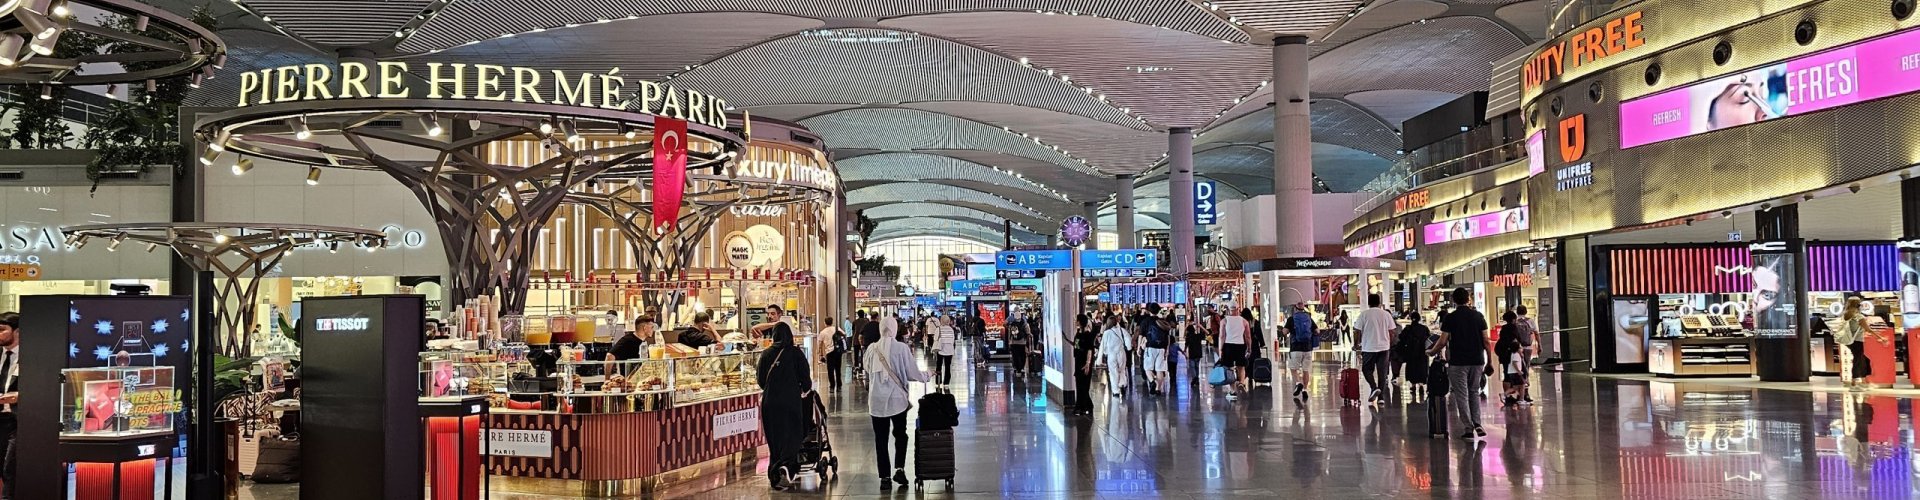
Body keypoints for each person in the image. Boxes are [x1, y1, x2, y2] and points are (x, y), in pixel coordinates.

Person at [864, 315, 929, 487]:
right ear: (894, 328)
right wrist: (927, 375)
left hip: (876, 401)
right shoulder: (901, 348)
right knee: (900, 435)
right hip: (897, 400)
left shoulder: (872, 349)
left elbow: (866, 368)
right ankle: (899, 469)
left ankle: (884, 478)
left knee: (880, 439)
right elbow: (912, 373)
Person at [1428, 287, 1492, 440]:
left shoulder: (1451, 318)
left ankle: (1469, 427)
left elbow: (1442, 341)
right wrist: (1489, 361)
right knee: (1474, 391)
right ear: (1468, 299)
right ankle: (1477, 423)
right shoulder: (1478, 316)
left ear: (1454, 300)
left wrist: (1431, 352)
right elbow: (1486, 340)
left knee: (1461, 394)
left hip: (1458, 361)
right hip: (1477, 360)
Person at [756, 322, 813, 490]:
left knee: (774, 436)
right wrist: (805, 390)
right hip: (790, 400)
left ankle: (775, 471)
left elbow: (761, 380)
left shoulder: (766, 354)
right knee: (792, 433)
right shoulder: (796, 353)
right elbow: (806, 378)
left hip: (769, 402)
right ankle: (785, 465)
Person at [1355, 294, 1398, 404]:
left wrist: (1356, 344)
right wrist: (1389, 343)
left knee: (1366, 370)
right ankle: (1381, 398)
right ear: (1379, 303)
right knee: (1382, 372)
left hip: (1368, 347)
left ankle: (1374, 387)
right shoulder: (1386, 314)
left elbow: (1357, 331)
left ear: (1368, 303)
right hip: (1384, 348)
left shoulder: (1364, 314)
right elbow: (1392, 332)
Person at [1837, 297, 1879, 392]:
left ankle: (1863, 382)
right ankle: (1854, 384)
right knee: (1858, 361)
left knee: (1864, 360)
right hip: (1857, 341)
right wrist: (1880, 337)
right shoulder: (1858, 316)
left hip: (1850, 341)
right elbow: (1868, 329)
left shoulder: (1846, 314)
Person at [1394, 311, 1432, 400]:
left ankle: (1413, 385)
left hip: (1410, 352)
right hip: (1422, 353)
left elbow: (1401, 338)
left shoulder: (1408, 328)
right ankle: (1421, 385)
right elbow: (1429, 339)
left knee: (1412, 368)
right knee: (1422, 368)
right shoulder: (1424, 328)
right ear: (1419, 319)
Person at [1284, 303, 1317, 401]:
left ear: (1295, 309)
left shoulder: (1291, 319)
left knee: (1293, 368)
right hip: (1307, 348)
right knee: (1306, 370)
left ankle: (1298, 383)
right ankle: (1305, 389)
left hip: (1295, 348)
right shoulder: (1308, 319)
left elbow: (1285, 331)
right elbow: (1317, 330)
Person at [1495, 311, 1528, 408]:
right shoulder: (1514, 328)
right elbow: (1517, 340)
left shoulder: (1503, 328)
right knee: (1519, 374)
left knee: (1506, 374)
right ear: (1514, 319)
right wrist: (1520, 352)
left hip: (1503, 353)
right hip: (1511, 354)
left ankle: (1508, 395)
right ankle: (1519, 395)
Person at [0, 312, 16, 499]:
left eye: (2, 330)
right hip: (0, 420)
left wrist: (21, 396)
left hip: (19, 421)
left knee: (10, 468)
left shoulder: (33, 356)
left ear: (17, 332)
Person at [1219, 307, 1251, 400]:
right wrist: (1249, 348)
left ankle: (1233, 391)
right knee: (1241, 366)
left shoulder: (1224, 320)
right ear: (1238, 309)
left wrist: (1220, 349)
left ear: (1229, 310)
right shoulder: (1244, 321)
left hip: (1228, 345)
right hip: (1240, 345)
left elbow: (1222, 336)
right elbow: (1248, 336)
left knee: (1229, 368)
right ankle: (1241, 383)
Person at [1140, 304, 1171, 395]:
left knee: (1147, 368)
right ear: (1158, 311)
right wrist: (1167, 349)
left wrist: (1138, 348)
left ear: (1149, 310)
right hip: (1161, 348)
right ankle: (1158, 389)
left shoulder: (1145, 321)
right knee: (1160, 369)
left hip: (1150, 347)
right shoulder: (1163, 322)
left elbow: (1141, 335)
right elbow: (1168, 337)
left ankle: (1152, 381)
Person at [1512, 305, 1539, 404]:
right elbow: (1536, 333)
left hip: (1516, 348)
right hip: (1527, 348)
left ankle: (1517, 393)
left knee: (1516, 369)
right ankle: (1525, 393)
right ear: (1526, 311)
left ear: (1517, 312)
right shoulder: (1530, 321)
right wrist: (1539, 346)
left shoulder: (1514, 321)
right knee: (1525, 369)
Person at [1073, 313, 1098, 415]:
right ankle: (1084, 405)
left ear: (1080, 322)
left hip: (1084, 362)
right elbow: (1077, 345)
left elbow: (1090, 350)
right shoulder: (1078, 333)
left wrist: (1088, 363)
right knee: (1079, 384)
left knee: (1084, 385)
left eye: (1077, 320)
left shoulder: (1087, 335)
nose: (1075, 322)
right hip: (1078, 361)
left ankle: (1083, 406)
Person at [1100, 316, 1131, 397]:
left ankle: (1116, 391)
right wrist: (1129, 348)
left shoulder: (1106, 333)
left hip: (1111, 355)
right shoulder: (1122, 330)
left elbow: (1102, 346)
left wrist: (1101, 357)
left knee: (1113, 373)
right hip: (1121, 353)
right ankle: (1122, 384)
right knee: (1122, 370)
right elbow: (1128, 340)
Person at [932, 316, 959, 386]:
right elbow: (952, 340)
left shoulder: (938, 329)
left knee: (939, 366)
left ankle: (938, 381)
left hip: (940, 349)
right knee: (948, 367)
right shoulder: (951, 329)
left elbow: (935, 339)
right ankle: (946, 383)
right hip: (949, 350)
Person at [822, 317, 847, 392]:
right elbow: (844, 334)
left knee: (830, 370)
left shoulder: (823, 332)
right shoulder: (837, 329)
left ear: (825, 323)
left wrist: (821, 354)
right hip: (838, 351)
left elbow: (819, 343)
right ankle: (839, 386)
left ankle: (832, 386)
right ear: (832, 322)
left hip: (829, 352)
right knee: (838, 369)